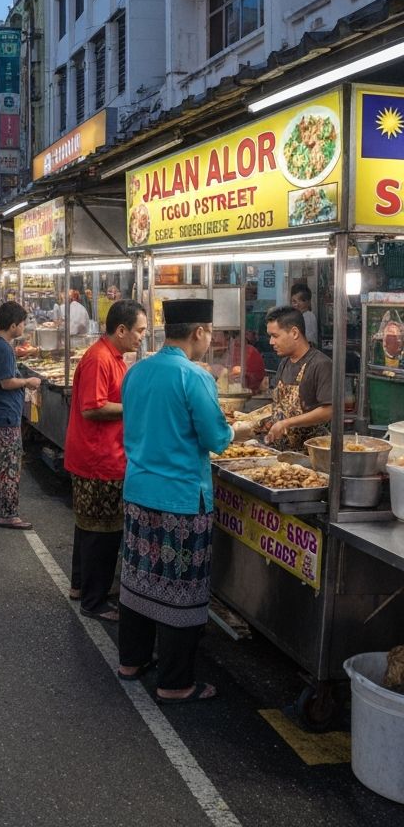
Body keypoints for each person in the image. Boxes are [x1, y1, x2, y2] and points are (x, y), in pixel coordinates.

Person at [117, 298, 252, 701]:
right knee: (181, 588)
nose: (210, 339)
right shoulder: (194, 376)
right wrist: (237, 432)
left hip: (139, 492)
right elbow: (215, 438)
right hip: (180, 500)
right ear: (199, 332)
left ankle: (132, 661)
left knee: (139, 578)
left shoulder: (136, 371)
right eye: (210, 333)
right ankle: (175, 683)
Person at [64, 300, 148, 622]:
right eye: (139, 330)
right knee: (102, 532)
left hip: (101, 454)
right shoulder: (100, 359)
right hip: (99, 458)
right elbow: (92, 408)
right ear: (121, 330)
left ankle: (81, 586)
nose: (142, 336)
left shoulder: (114, 358)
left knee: (88, 526)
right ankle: (94, 601)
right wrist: (135, 407)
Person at [0, 301, 41, 529]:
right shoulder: (3, 348)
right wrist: (28, 381)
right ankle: (8, 513)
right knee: (9, 466)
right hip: (4, 416)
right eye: (22, 323)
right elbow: (6, 382)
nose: (24, 327)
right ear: (13, 325)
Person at [264, 305, 333, 450]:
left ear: (294, 333)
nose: (271, 342)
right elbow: (279, 406)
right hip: (282, 453)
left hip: (311, 454)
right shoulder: (284, 363)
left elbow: (328, 411)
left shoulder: (320, 364)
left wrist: (286, 423)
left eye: (275, 336)